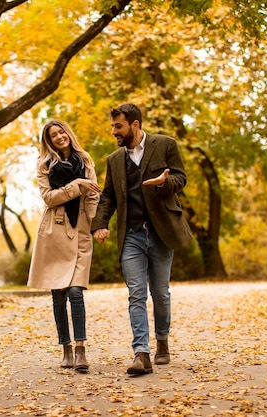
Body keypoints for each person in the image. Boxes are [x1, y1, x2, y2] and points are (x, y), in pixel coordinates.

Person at [91, 103, 193, 375]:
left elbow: (181, 178)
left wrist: (163, 182)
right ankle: (141, 353)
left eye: (118, 126)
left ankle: (162, 341)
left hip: (161, 231)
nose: (114, 131)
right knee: (136, 293)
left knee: (160, 293)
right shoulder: (114, 160)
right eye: (113, 126)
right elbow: (108, 196)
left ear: (134, 125)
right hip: (132, 235)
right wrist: (99, 224)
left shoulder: (166, 145)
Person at [27, 119, 101, 373]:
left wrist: (96, 224)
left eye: (61, 132)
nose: (59, 137)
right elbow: (49, 198)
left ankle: (81, 350)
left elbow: (93, 195)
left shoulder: (85, 159)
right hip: (54, 230)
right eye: (53, 135)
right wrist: (76, 185)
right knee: (58, 294)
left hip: (80, 230)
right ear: (48, 141)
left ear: (68, 133)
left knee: (76, 292)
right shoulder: (45, 164)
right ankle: (66, 349)